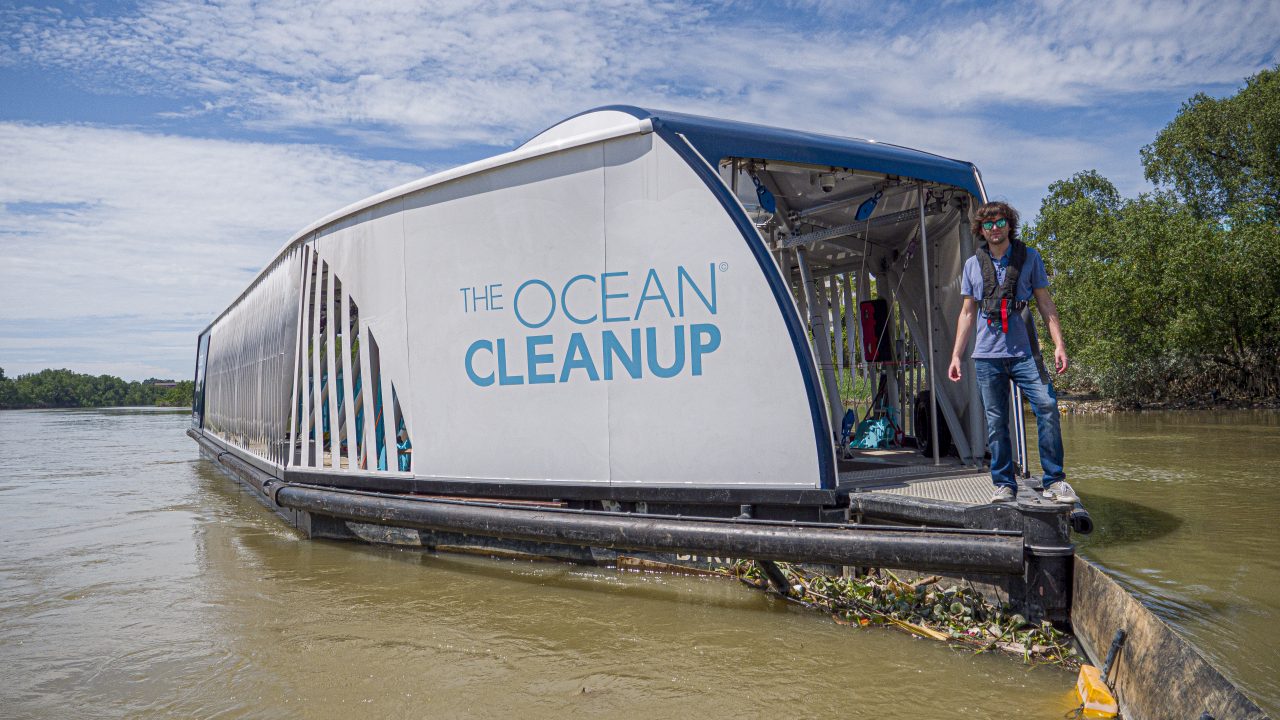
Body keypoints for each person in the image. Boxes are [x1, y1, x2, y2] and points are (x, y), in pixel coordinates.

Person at [947, 201, 1078, 505]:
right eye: (988, 224)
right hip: (987, 355)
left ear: (1009, 225)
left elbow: (1045, 303)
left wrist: (1059, 344)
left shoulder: (1030, 258)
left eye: (999, 222)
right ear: (981, 230)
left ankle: (1055, 481)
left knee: (1046, 405)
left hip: (1023, 353)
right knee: (996, 421)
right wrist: (956, 355)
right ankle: (1004, 483)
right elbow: (967, 313)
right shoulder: (972, 265)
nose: (994, 228)